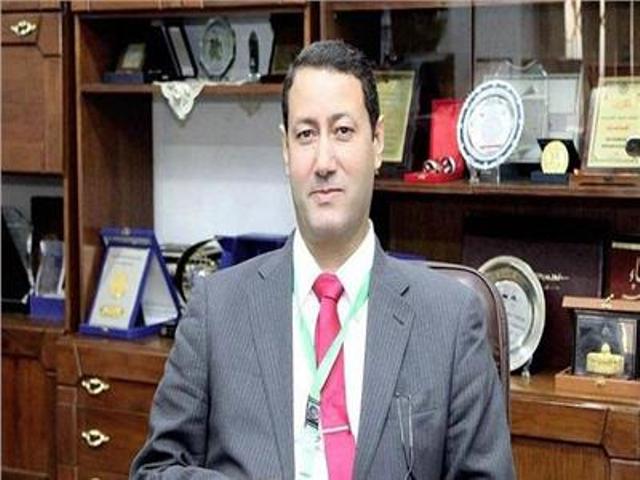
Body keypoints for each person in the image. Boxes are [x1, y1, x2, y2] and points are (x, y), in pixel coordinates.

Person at [130, 40, 514, 480]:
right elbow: (155, 470)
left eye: (343, 131)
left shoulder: (449, 319)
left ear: (377, 142)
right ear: (285, 150)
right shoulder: (217, 311)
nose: (324, 161)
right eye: (306, 135)